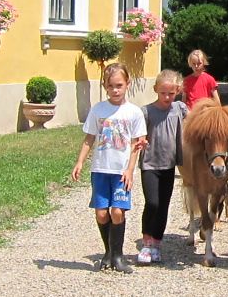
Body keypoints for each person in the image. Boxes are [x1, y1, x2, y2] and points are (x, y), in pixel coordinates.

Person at [71, 62, 147, 273]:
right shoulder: (98, 110)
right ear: (104, 85)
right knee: (102, 214)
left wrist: (130, 170)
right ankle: (108, 251)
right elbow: (89, 138)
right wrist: (80, 162)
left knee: (117, 212)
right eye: (111, 85)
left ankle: (119, 255)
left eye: (119, 85)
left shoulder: (133, 113)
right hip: (100, 170)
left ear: (127, 85)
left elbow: (136, 144)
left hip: (121, 172)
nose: (115, 90)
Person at [137, 69, 187, 265]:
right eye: (163, 92)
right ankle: (146, 242)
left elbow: (193, 124)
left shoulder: (179, 109)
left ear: (178, 91)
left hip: (169, 165)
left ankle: (156, 244)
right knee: (153, 203)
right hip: (150, 164)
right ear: (156, 89)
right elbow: (139, 134)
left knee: (164, 205)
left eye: (171, 93)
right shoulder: (147, 111)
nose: (167, 97)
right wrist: (141, 141)